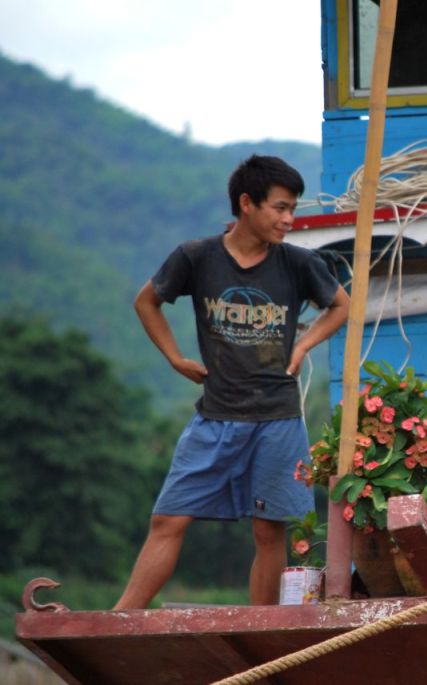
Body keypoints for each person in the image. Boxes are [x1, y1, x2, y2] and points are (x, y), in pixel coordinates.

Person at [114, 155, 350, 609]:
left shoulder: (298, 264)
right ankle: (120, 619)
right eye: (280, 208)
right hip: (215, 417)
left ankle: (260, 635)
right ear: (247, 203)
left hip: (279, 419)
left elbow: (340, 306)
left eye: (292, 209)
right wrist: (174, 359)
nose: (288, 219)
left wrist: (301, 348)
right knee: (168, 520)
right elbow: (147, 302)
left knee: (268, 531)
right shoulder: (196, 257)